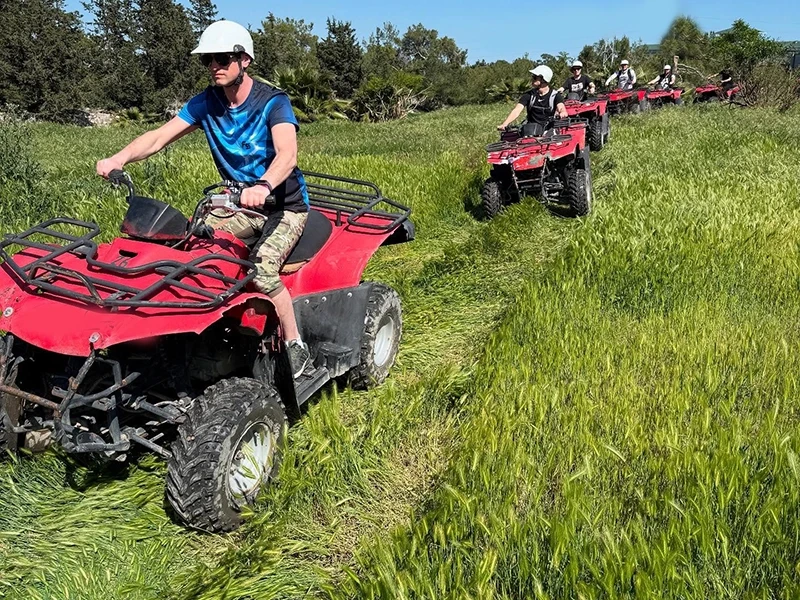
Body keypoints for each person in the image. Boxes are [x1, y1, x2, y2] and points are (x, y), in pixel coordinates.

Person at [96, 20, 312, 378]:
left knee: (261, 271)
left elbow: (286, 155)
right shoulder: (206, 104)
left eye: (223, 57)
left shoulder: (273, 103)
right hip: (237, 203)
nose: (215, 65)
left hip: (282, 205)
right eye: (208, 59)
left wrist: (263, 185)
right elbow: (159, 136)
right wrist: (119, 158)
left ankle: (294, 345)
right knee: (186, 249)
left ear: (245, 60)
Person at [497, 65, 568, 134]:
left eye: (534, 77)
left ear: (543, 80)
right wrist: (505, 123)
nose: (532, 79)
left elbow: (561, 107)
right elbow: (517, 110)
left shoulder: (555, 95)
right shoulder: (529, 95)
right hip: (530, 130)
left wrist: (563, 112)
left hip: (548, 131)